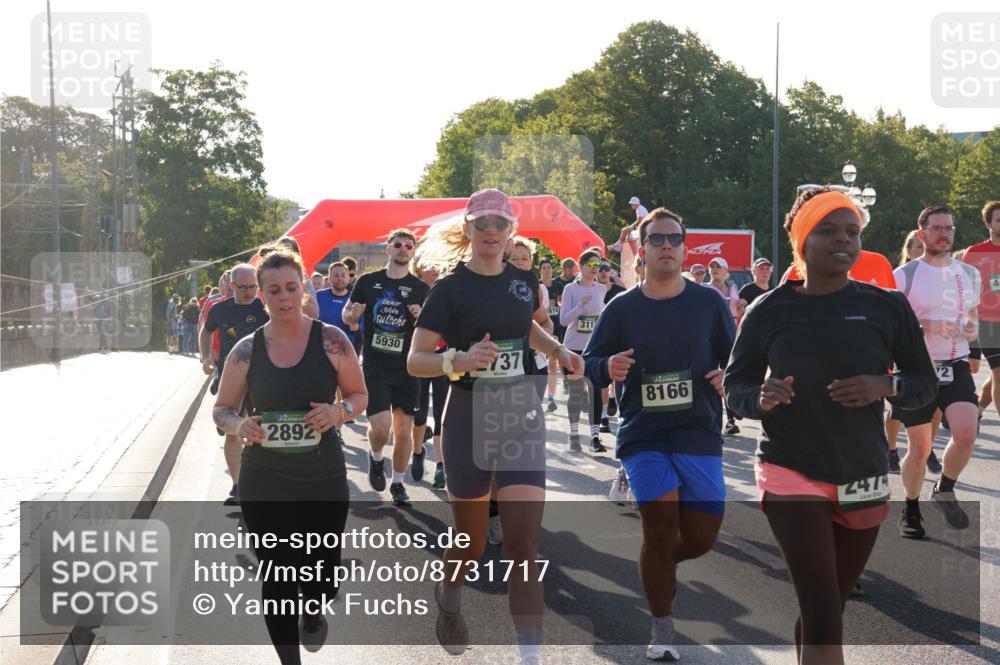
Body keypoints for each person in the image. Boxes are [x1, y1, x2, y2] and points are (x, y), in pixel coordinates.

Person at [725, 187, 935, 665]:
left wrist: (885, 386)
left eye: (851, 233)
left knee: (828, 608)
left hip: (862, 471)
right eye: (828, 231)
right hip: (789, 468)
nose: (843, 241)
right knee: (822, 609)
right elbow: (735, 386)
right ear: (803, 241)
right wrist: (759, 398)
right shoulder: (769, 310)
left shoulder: (887, 307)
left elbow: (923, 384)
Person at [407, 188, 583, 664]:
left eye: (500, 224)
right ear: (467, 229)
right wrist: (458, 359)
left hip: (519, 415)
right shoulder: (448, 289)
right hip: (467, 418)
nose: (490, 230)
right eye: (481, 222)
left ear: (511, 234)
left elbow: (525, 326)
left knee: (524, 545)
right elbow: (415, 360)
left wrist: (557, 350)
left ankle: (530, 658)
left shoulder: (523, 281)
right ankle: (448, 594)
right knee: (472, 544)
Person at [585, 208, 734, 662]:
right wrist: (606, 368)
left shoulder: (709, 302)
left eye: (674, 238)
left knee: (702, 536)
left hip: (698, 429)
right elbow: (592, 363)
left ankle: (660, 566)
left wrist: (728, 376)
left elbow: (737, 361)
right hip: (643, 432)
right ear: (643, 249)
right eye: (657, 239)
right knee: (659, 524)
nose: (666, 245)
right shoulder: (622, 306)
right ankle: (661, 625)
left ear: (685, 246)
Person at [212, 248, 367, 665]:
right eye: (274, 290)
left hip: (323, 475)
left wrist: (339, 412)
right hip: (265, 476)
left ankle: (314, 607)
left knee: (323, 577)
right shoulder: (246, 350)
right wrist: (238, 424)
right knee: (278, 575)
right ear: (261, 294)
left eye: (291, 288)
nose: (284, 297)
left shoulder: (331, 340)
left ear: (304, 289)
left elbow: (359, 395)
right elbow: (222, 407)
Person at [894, 205, 981, 538]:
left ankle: (944, 488)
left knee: (966, 433)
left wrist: (972, 336)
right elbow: (891, 327)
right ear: (922, 234)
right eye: (937, 228)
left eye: (949, 228)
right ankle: (911, 508)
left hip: (954, 364)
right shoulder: (904, 275)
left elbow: (972, 314)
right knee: (919, 450)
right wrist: (925, 324)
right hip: (917, 369)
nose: (944, 233)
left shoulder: (968, 274)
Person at [342, 229, 430, 506]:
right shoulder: (368, 282)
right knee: (381, 428)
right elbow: (348, 312)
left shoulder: (420, 289)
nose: (403, 249)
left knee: (403, 429)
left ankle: (398, 484)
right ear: (388, 249)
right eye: (398, 244)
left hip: (408, 369)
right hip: (376, 366)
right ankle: (376, 457)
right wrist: (352, 318)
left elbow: (431, 330)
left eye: (408, 245)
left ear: (412, 251)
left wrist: (420, 317)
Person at [201, 264, 270, 506]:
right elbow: (205, 331)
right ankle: (238, 487)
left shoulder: (265, 309)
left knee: (263, 430)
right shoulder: (220, 309)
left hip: (263, 377)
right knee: (233, 430)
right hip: (232, 377)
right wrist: (206, 357)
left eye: (253, 287)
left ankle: (262, 485)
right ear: (232, 286)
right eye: (243, 288)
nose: (249, 292)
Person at [886, 230, 942, 473]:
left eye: (924, 247)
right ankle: (890, 450)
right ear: (908, 251)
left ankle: (927, 448)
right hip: (905, 347)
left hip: (937, 347)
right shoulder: (900, 277)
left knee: (937, 402)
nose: (921, 252)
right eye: (916, 248)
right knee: (900, 405)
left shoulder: (941, 277)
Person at [560, 249, 610, 453]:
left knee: (596, 391)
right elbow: (563, 320)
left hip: (594, 348)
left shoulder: (601, 289)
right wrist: (581, 305)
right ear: (580, 266)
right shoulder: (571, 289)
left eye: (597, 265)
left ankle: (595, 437)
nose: (593, 268)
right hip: (573, 348)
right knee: (576, 393)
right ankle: (573, 435)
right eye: (590, 264)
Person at [410, 259, 449, 489]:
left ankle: (441, 467)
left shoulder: (447, 289)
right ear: (419, 268)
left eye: (437, 265)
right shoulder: (412, 290)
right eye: (428, 265)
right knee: (420, 414)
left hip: (444, 358)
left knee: (442, 415)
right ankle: (417, 452)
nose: (434, 268)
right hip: (420, 361)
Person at [961, 200, 1000, 416]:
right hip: (988, 323)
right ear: (988, 224)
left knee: (996, 375)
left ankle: (976, 411)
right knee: (999, 373)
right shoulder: (975, 253)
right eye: (999, 220)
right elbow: (964, 290)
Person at [598, 256, 626, 432]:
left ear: (611, 272)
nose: (602, 272)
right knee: (602, 377)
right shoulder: (591, 289)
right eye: (599, 268)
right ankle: (603, 417)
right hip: (599, 337)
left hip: (617, 336)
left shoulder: (618, 290)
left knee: (617, 373)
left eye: (606, 269)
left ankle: (615, 401)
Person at [538, 258, 560, 412]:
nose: (546, 270)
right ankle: (537, 398)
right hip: (539, 331)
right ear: (540, 271)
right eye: (544, 268)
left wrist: (558, 304)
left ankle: (551, 398)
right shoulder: (536, 287)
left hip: (555, 330)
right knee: (540, 367)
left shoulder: (558, 286)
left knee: (552, 367)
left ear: (552, 270)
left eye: (548, 267)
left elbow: (564, 306)